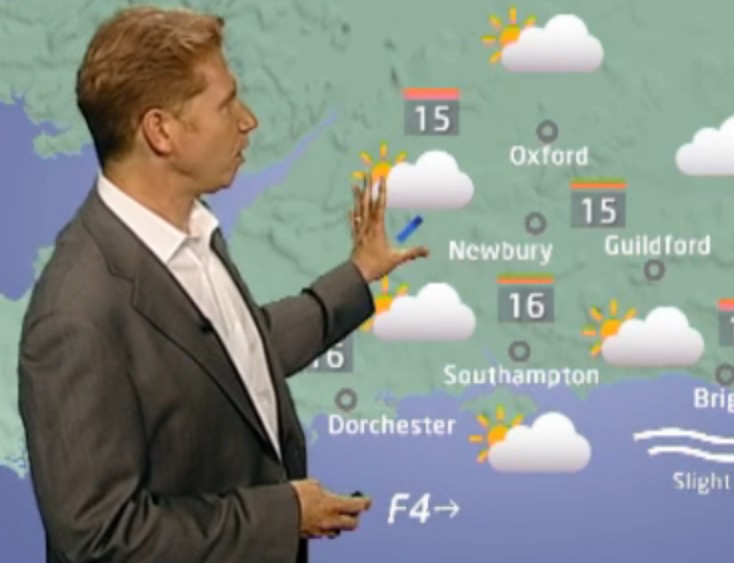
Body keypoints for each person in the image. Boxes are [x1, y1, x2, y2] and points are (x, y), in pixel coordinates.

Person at [17, 6, 428, 563]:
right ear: (160, 131)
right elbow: (98, 539)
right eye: (226, 103)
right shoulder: (76, 315)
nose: (247, 120)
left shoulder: (191, 233)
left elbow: (236, 353)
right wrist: (283, 516)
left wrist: (358, 274)